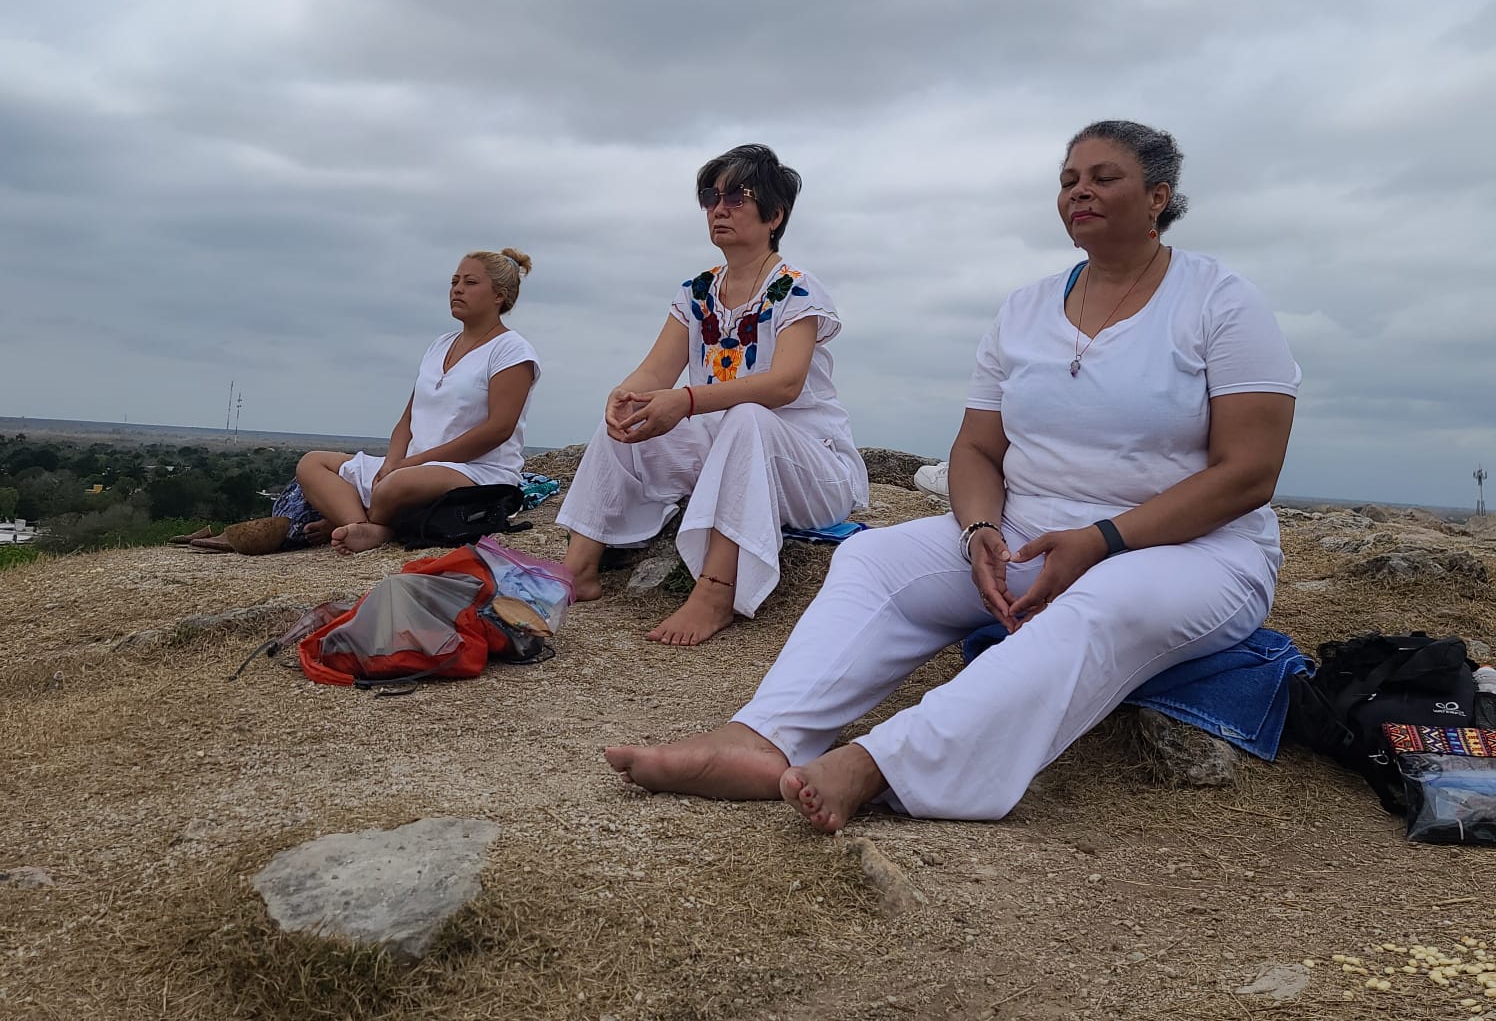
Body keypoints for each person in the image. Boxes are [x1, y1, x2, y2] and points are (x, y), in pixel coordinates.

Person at [604, 120, 1300, 828]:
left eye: (1102, 177)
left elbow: (1248, 473)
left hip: (1188, 552)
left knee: (1103, 605)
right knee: (872, 557)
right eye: (1067, 180)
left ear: (1159, 196)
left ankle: (881, 765)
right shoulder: (1025, 310)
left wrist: (1101, 540)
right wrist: (979, 529)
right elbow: (975, 451)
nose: (1078, 191)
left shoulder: (1221, 301)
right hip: (1029, 536)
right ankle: (762, 738)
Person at [558, 144, 869, 647]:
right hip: (725, 458)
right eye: (710, 196)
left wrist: (686, 400)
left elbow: (785, 384)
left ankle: (717, 590)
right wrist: (624, 396)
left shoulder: (797, 290)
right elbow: (655, 371)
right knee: (627, 418)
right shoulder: (698, 291)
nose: (719, 208)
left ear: (775, 215)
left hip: (808, 469)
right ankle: (578, 569)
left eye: (737, 197)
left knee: (748, 416)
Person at [295, 249, 540, 555]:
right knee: (312, 463)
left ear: (498, 296)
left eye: (470, 282)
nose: (457, 289)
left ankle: (363, 522)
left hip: (477, 472)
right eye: (454, 281)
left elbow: (498, 430)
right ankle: (362, 525)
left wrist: (410, 465)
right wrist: (393, 461)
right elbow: (408, 419)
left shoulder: (512, 351)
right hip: (413, 466)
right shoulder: (440, 345)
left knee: (394, 487)